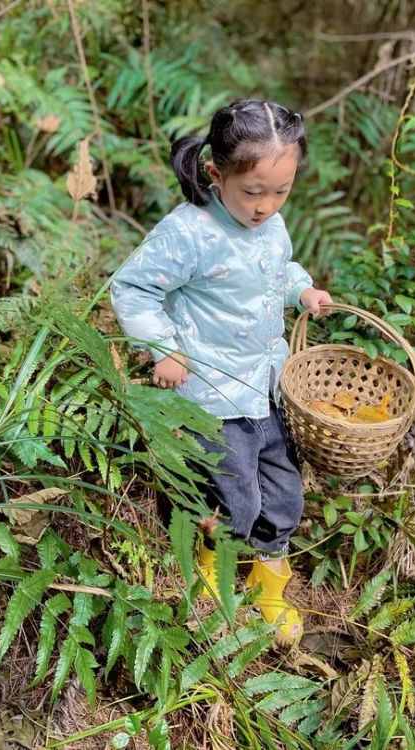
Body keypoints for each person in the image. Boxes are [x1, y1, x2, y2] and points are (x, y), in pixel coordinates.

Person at [109, 98, 332, 644]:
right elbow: (133, 287)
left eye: (281, 191)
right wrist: (164, 349)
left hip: (266, 388)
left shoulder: (273, 225)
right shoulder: (190, 232)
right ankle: (211, 573)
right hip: (213, 393)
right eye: (252, 192)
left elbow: (278, 269)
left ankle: (269, 590)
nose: (265, 206)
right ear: (216, 173)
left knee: (284, 497)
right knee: (238, 499)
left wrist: (299, 289)